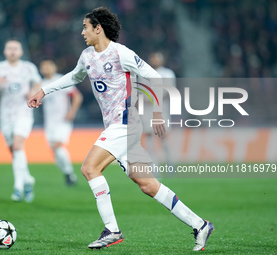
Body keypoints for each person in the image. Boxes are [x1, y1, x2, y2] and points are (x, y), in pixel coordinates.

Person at [28, 7, 214, 251]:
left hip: (125, 123)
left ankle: (112, 230)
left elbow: (154, 77)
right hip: (116, 125)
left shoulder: (121, 53)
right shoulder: (87, 56)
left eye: (85, 27)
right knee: (147, 184)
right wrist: (44, 90)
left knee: (89, 168)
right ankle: (200, 224)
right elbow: (74, 77)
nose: (82, 31)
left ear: (98, 28)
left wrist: (157, 113)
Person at [0, 39, 42, 203]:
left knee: (18, 145)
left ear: (20, 52)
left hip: (24, 113)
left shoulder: (28, 67)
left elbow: (38, 83)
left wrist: (33, 93)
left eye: (16, 48)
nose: (12, 51)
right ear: (5, 51)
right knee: (14, 151)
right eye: (9, 48)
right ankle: (28, 180)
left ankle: (18, 188)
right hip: (5, 115)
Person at [39, 60, 83, 185]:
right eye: (44, 66)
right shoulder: (41, 84)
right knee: (54, 151)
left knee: (58, 146)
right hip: (49, 123)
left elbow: (77, 96)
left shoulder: (62, 80)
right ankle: (68, 174)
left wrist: (72, 111)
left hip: (63, 120)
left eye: (49, 66)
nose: (46, 68)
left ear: (54, 67)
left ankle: (69, 173)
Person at [139, 52, 176, 169]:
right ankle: (154, 168)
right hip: (147, 111)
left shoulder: (167, 73)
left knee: (164, 139)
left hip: (161, 111)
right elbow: (140, 92)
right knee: (149, 141)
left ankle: (170, 165)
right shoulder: (143, 73)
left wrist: (152, 97)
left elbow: (169, 91)